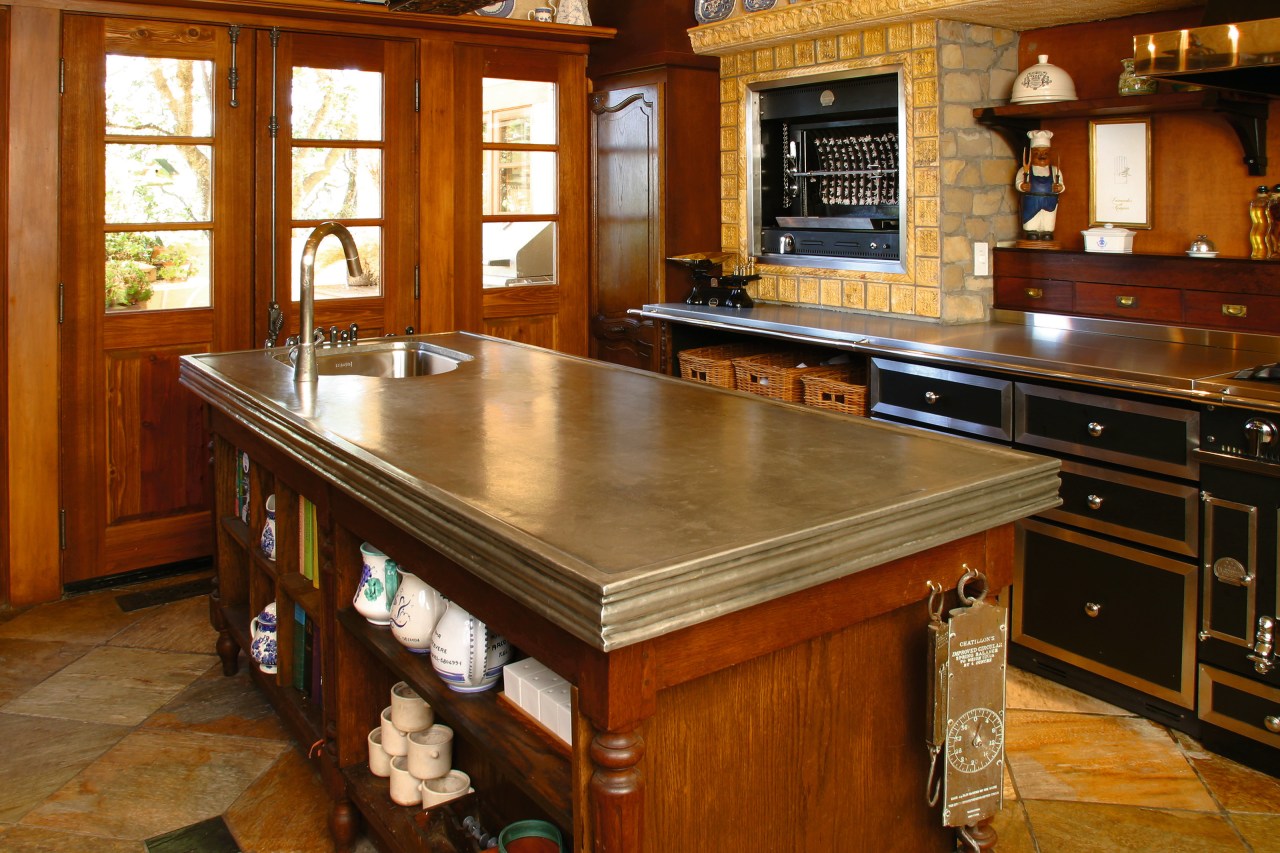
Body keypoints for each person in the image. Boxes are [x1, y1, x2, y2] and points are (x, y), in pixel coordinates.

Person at [1015, 130, 1064, 241]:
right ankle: (1032, 232)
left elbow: (1061, 183)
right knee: (1033, 220)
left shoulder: (1055, 170)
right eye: (1037, 153)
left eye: (1045, 153)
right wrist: (1022, 186)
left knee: (1048, 219)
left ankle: (1047, 232)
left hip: (1050, 201)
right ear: (1032, 154)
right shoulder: (1025, 169)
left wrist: (1060, 187)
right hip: (1032, 200)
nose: (1042, 156)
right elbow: (1018, 182)